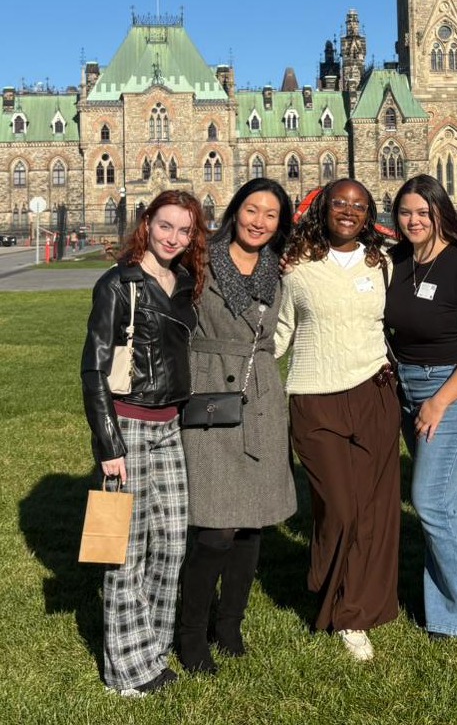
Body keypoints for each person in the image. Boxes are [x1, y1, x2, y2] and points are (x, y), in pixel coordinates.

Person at [81, 191, 207, 696]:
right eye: (165, 226)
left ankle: (150, 649)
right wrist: (109, 443)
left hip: (170, 425)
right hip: (128, 427)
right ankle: (125, 671)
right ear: (146, 224)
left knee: (172, 544)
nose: (174, 238)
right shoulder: (117, 284)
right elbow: (92, 368)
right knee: (123, 552)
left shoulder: (184, 283)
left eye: (184, 230)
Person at [275, 179, 400, 662]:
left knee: (373, 511)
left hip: (374, 392)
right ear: (323, 208)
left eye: (359, 205)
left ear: (369, 214)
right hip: (314, 396)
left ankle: (354, 612)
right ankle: (325, 582)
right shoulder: (296, 267)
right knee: (340, 508)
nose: (348, 211)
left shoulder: (383, 262)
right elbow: (282, 330)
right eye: (340, 203)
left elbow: (396, 322)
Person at [178, 179, 297, 674]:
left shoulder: (280, 272)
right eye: (252, 209)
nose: (259, 221)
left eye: (271, 215)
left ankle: (229, 625)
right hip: (210, 396)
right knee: (215, 523)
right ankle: (189, 634)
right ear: (236, 210)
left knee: (252, 522)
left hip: (261, 395)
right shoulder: (200, 262)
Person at [384, 174, 457, 639]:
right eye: (405, 212)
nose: (413, 220)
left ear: (439, 213)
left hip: (451, 389)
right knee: (447, 500)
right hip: (407, 387)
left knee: (429, 499)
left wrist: (439, 402)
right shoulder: (398, 261)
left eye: (422, 212)